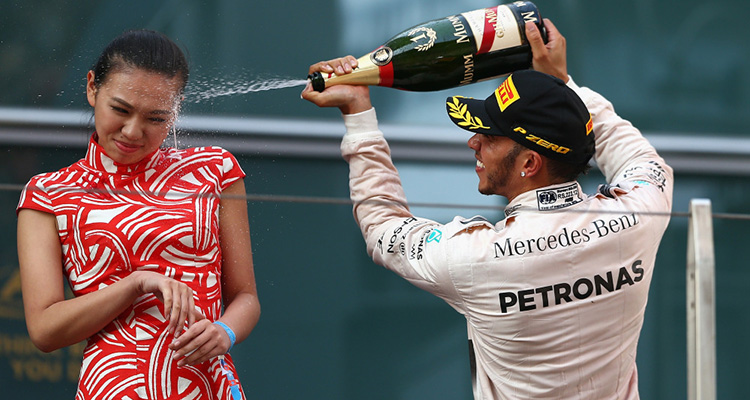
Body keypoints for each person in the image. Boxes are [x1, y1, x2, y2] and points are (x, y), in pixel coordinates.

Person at [302, 19, 672, 399]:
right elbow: (639, 156)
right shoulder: (639, 215)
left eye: (490, 135)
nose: (473, 143)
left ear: (529, 164)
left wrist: (358, 113)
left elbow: (382, 226)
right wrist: (563, 87)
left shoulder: (474, 258)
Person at [16, 30, 260, 400]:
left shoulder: (215, 169)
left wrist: (224, 332)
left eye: (156, 118)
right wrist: (136, 283)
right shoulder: (49, 193)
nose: (133, 131)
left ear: (175, 112)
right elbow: (44, 330)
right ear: (91, 88)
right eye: (120, 110)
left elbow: (246, 297)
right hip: (114, 388)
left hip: (208, 387)